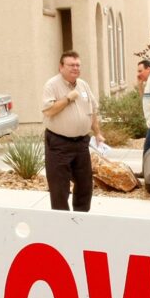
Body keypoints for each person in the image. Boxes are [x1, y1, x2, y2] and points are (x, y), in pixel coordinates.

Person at [41, 51, 104, 212]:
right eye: (71, 65)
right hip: (59, 143)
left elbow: (92, 111)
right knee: (59, 187)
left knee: (85, 184)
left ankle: (80, 218)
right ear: (61, 67)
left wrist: (97, 133)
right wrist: (68, 98)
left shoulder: (83, 85)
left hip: (81, 142)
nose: (75, 68)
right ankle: (62, 221)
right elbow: (49, 111)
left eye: (77, 65)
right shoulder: (52, 85)